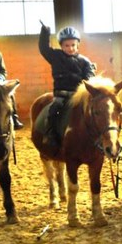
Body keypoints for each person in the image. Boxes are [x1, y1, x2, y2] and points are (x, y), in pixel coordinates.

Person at [38, 23, 96, 152]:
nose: (70, 48)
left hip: (78, 95)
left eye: (73, 45)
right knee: (54, 109)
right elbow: (43, 49)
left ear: (78, 45)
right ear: (61, 46)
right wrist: (45, 33)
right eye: (66, 45)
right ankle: (50, 134)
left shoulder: (85, 61)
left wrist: (85, 81)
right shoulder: (55, 56)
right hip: (61, 95)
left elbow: (89, 76)